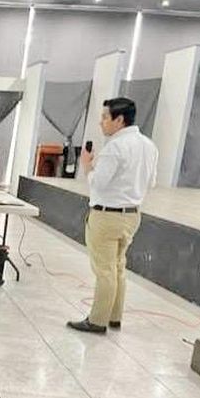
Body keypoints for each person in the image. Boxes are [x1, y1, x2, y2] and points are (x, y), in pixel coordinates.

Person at [68, 97, 158, 334]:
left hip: (107, 216)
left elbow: (98, 184)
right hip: (132, 215)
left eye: (105, 117)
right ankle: (114, 316)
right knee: (118, 266)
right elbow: (152, 182)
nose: (101, 123)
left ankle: (97, 320)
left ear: (119, 120)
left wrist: (87, 166)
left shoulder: (115, 147)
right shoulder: (149, 146)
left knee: (105, 270)